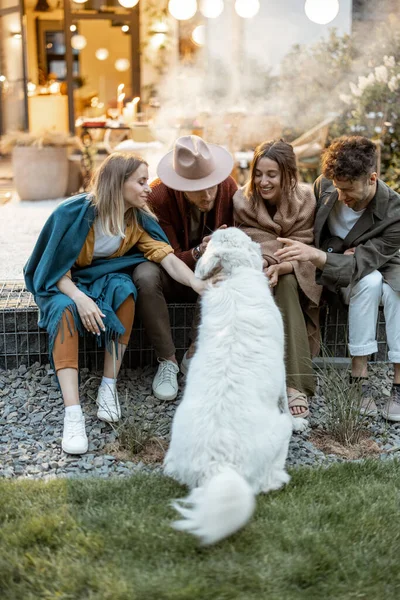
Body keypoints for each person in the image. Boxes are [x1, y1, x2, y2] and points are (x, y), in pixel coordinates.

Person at [24, 153, 208, 455]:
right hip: (65, 283)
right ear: (117, 183)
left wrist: (196, 283)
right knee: (64, 311)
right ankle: (74, 414)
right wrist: (80, 299)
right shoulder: (73, 214)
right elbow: (54, 269)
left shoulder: (137, 220)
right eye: (140, 181)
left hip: (100, 280)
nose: (148, 188)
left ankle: (108, 388)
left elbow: (169, 259)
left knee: (124, 288)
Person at [275, 135, 400, 422]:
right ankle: (359, 380)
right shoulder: (326, 185)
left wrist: (319, 256)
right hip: (341, 264)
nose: (341, 197)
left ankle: (398, 385)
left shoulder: (395, 212)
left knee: (396, 292)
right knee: (368, 283)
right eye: (338, 189)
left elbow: (361, 264)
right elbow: (317, 229)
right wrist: (336, 250)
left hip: (384, 262)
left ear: (372, 178)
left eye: (349, 190)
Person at [132, 134, 237, 401]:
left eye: (211, 185)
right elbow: (166, 256)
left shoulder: (228, 186)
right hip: (171, 276)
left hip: (212, 280)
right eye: (198, 188)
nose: (208, 194)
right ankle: (168, 362)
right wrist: (200, 250)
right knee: (144, 274)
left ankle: (196, 351)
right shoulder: (157, 195)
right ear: (179, 185)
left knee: (225, 265)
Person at [233, 140, 322, 418]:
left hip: (294, 274)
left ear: (288, 174)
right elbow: (245, 241)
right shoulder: (242, 200)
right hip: (253, 270)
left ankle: (295, 383)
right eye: (258, 173)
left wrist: (280, 267)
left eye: (271, 174)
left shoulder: (306, 199)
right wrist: (259, 261)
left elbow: (304, 246)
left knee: (287, 283)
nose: (263, 181)